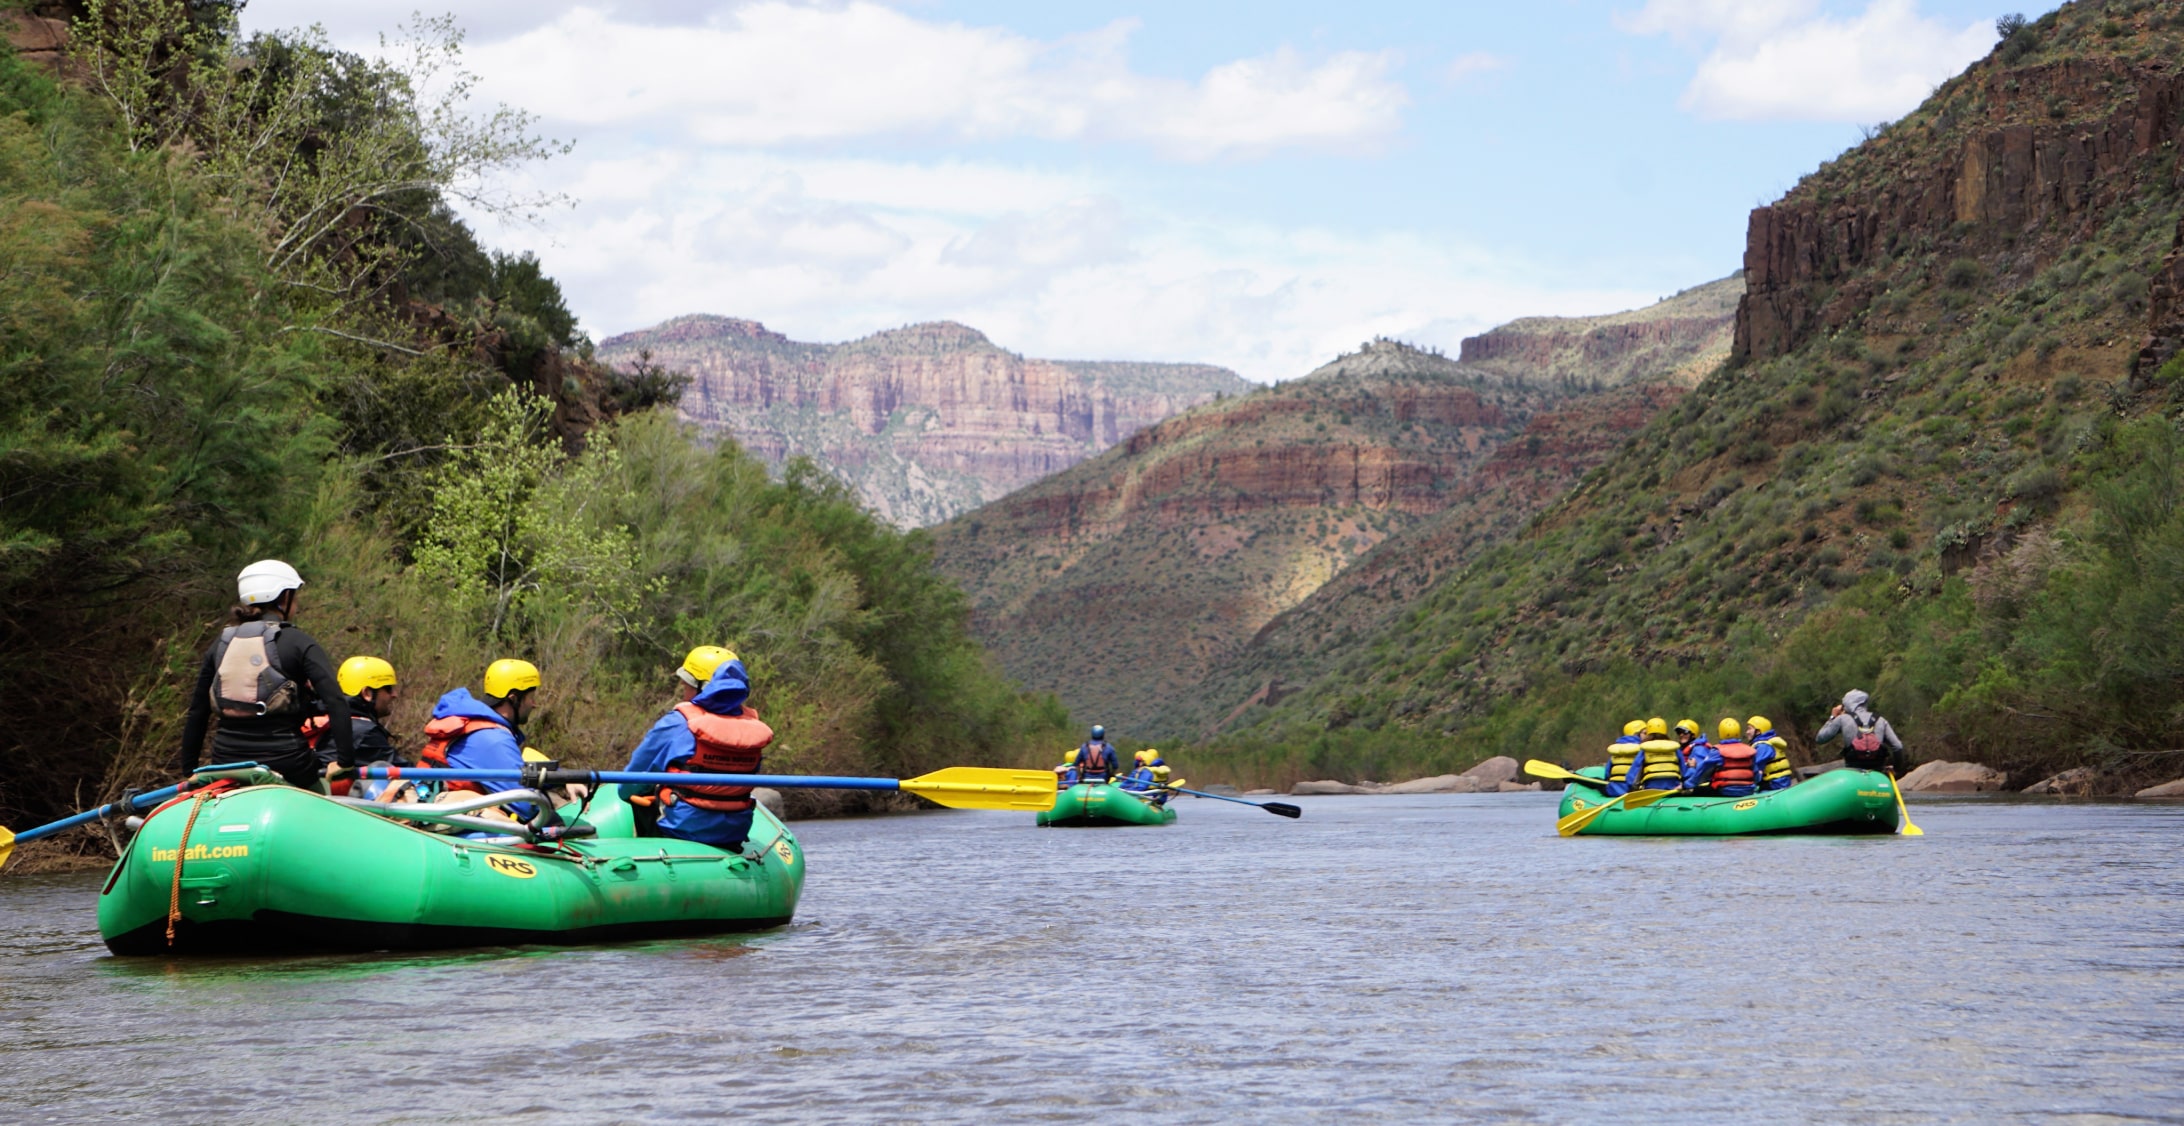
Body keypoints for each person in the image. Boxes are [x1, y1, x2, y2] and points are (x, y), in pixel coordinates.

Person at [179, 560, 353, 790]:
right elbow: (336, 702)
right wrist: (344, 762)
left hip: (225, 762)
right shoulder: (300, 642)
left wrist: (189, 770)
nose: (297, 605)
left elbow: (198, 711)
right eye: (295, 597)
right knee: (323, 790)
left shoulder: (220, 645)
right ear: (284, 598)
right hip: (289, 763)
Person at [621, 647, 774, 851]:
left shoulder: (677, 723)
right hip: (733, 834)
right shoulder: (751, 726)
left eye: (686, 685)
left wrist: (627, 795)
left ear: (702, 688)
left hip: (678, 832)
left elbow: (629, 783)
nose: (683, 691)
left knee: (637, 799)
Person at [420, 658, 541, 818]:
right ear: (513, 699)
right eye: (530, 697)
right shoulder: (493, 739)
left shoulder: (472, 722)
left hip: (429, 805)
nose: (534, 704)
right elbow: (525, 806)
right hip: (449, 822)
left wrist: (563, 778)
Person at [1814, 689, 1906, 775]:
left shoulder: (1842, 719)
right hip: (1877, 769)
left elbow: (1820, 738)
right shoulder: (1880, 720)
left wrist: (1832, 717)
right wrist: (1897, 769)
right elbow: (1898, 746)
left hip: (1853, 769)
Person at [1685, 718, 1774, 797]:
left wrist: (1688, 784)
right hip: (1747, 791)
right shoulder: (1750, 750)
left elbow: (1702, 770)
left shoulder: (1717, 751)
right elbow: (1756, 777)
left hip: (1724, 791)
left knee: (1697, 791)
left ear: (1721, 732)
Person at [1626, 717, 1683, 792]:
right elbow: (1684, 771)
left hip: (1651, 787)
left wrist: (1633, 787)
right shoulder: (1674, 748)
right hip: (1673, 787)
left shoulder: (1645, 749)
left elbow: (1634, 772)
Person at [1747, 715, 1795, 791]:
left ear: (1758, 731)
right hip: (1780, 781)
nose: (1747, 732)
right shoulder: (1767, 742)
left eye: (1749, 729)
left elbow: (1756, 768)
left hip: (1774, 784)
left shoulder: (1763, 746)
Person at [1600, 720, 1646, 798]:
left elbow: (1607, 774)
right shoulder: (1642, 751)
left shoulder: (1616, 752)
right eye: (1645, 733)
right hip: (1631, 793)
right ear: (1636, 734)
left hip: (1612, 792)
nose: (1647, 736)